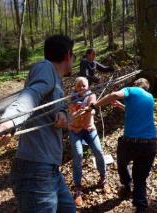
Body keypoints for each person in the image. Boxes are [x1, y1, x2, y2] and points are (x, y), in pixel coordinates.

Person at [0, 35, 76, 213]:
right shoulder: (46, 68)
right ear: (68, 55)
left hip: (51, 169)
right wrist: (7, 123)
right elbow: (29, 97)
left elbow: (51, 109)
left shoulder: (57, 81)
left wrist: (63, 116)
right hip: (35, 170)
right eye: (73, 56)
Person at [88, 78, 157, 213]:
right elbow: (135, 112)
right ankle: (141, 206)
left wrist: (94, 106)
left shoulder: (131, 90)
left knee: (122, 162)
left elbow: (113, 95)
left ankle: (126, 184)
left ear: (136, 85)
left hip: (132, 142)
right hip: (151, 143)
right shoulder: (150, 97)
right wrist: (120, 106)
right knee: (141, 177)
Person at [68, 76, 109, 207]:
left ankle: (103, 178)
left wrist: (90, 110)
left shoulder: (92, 95)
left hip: (89, 129)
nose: (81, 88)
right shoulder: (71, 98)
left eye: (84, 85)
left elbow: (93, 108)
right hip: (75, 130)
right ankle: (78, 188)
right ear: (75, 87)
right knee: (78, 155)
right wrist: (78, 113)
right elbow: (72, 116)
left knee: (98, 151)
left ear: (88, 86)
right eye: (78, 85)